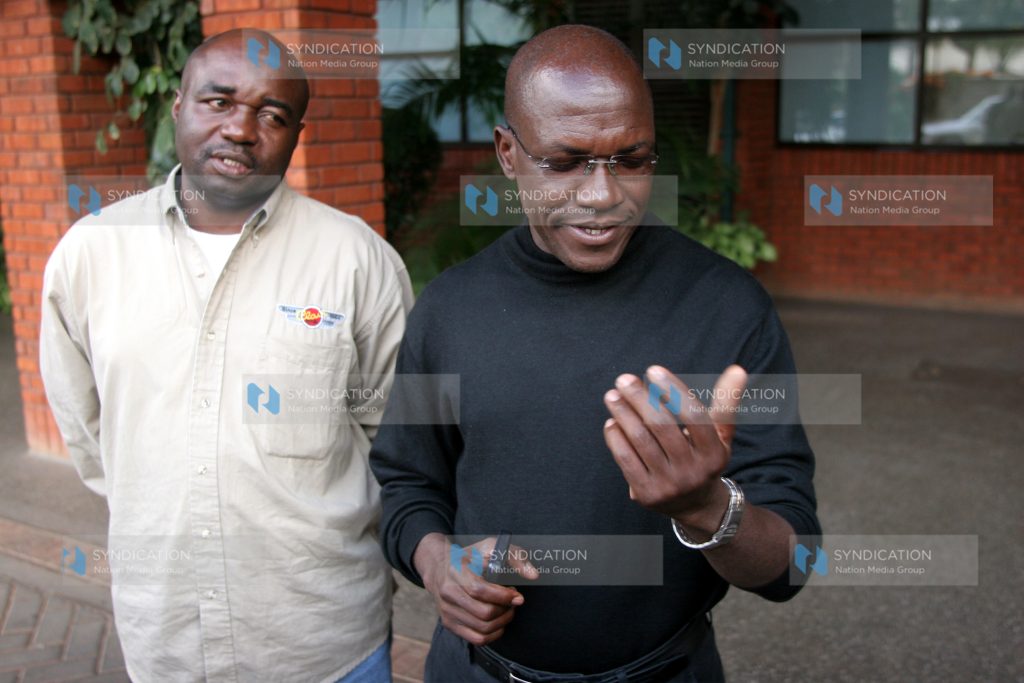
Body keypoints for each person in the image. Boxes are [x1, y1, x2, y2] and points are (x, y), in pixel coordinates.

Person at [370, 24, 820, 682]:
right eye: (566, 160)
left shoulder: (727, 308)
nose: (605, 194)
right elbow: (408, 485)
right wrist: (439, 563)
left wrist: (707, 508)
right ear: (507, 153)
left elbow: (790, 563)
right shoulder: (448, 310)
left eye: (633, 159)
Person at [40, 29, 412, 682]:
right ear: (178, 104)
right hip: (167, 642)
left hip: (326, 645)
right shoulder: (90, 255)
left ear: (297, 133)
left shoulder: (358, 261)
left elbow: (398, 438)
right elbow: (88, 429)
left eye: (272, 115)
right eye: (219, 101)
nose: (242, 129)